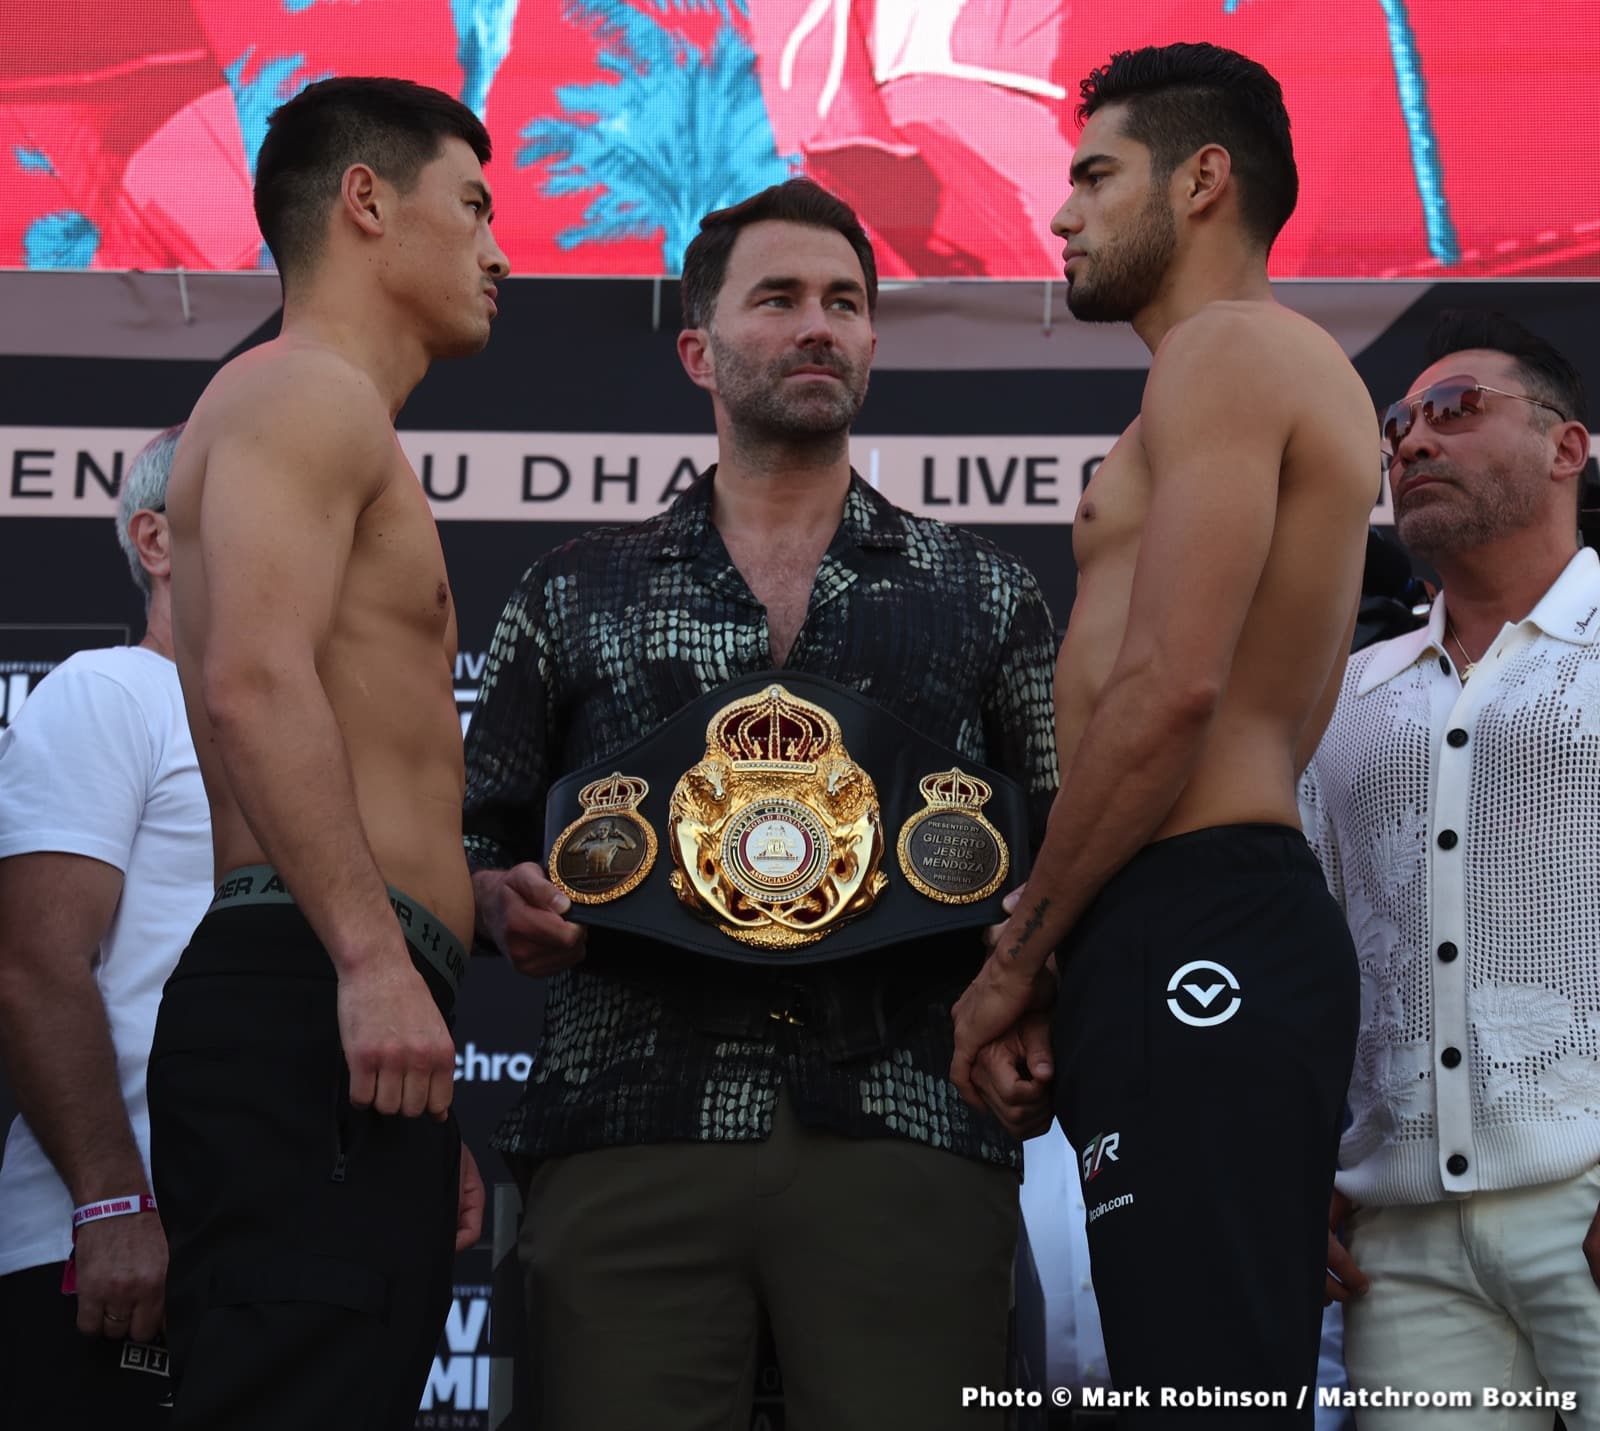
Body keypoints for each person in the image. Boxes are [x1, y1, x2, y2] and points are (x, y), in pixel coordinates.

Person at [463, 177, 1059, 1430]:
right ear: (699, 349)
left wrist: (1032, 985)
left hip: (904, 1121)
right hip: (632, 1121)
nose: (818, 328)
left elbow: (1063, 848)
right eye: (779, 299)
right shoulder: (574, 590)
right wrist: (495, 897)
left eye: (845, 303)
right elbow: (473, 834)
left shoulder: (985, 591)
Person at [950, 42, 1378, 1422]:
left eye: (1091, 175)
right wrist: (1074, 951)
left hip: (1208, 923)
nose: (1061, 215)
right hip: (1176, 923)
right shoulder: (1226, 370)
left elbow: (1173, 689)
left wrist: (1013, 955)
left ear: (1204, 180)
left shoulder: (1231, 348)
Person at [145, 76, 508, 1428]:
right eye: (470, 205)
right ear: (367, 200)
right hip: (311, 988)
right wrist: (366, 961)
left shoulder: (319, 409)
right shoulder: (303, 391)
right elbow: (249, 678)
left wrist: (451, 925)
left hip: (340, 1019)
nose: (498, 248)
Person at [1303, 309, 1599, 1428]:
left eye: (1456, 409)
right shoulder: (1342, 699)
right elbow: (1309, 955)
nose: (1413, 440)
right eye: (1399, 423)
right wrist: (1299, 1177)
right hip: (1402, 1248)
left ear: (1567, 446)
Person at [0, 427, 211, 1428]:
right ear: (156, 543)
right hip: (104, 1249)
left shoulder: (296, 736)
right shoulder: (109, 690)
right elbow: (36, 964)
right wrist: (111, 1200)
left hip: (252, 1247)